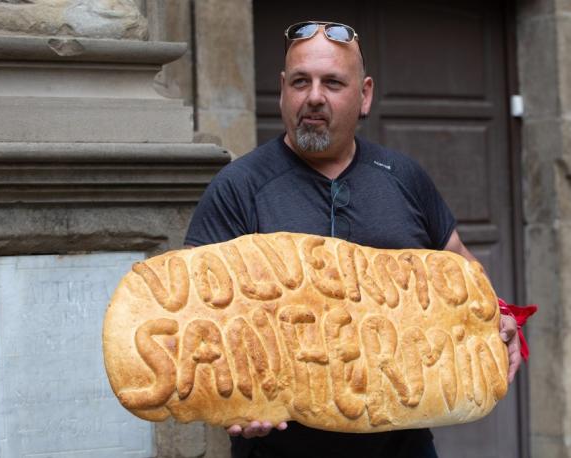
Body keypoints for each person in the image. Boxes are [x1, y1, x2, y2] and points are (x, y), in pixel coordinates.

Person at [185, 20, 522, 458]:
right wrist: (225, 397)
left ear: (364, 95)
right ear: (283, 89)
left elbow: (460, 266)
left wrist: (497, 314)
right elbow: (192, 315)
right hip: (280, 447)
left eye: (333, 83)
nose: (314, 97)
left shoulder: (404, 178)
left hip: (402, 443)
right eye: (301, 82)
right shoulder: (239, 186)